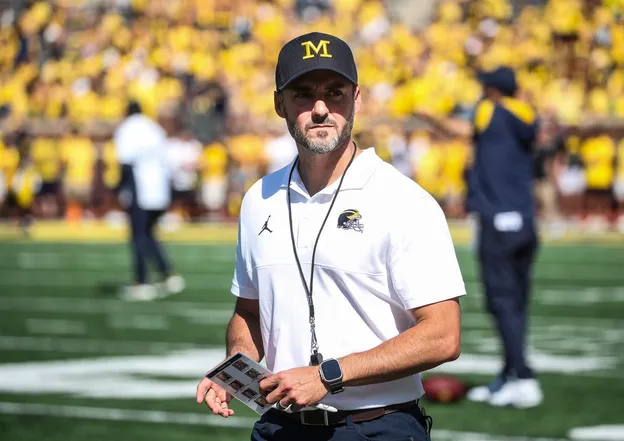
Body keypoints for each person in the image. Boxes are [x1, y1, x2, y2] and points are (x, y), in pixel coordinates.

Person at [195, 32, 466, 441]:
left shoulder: (403, 199)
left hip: (376, 427)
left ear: (357, 99)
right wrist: (235, 367)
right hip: (280, 427)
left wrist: (329, 376)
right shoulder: (258, 199)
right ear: (279, 104)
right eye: (303, 95)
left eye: (335, 93)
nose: (321, 109)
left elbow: (443, 335)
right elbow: (249, 312)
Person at [417, 66, 543, 408]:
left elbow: (461, 127)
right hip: (525, 221)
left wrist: (431, 118)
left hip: (498, 223)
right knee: (515, 304)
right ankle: (510, 374)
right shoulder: (525, 113)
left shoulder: (492, 109)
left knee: (502, 303)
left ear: (493, 90)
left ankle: (523, 377)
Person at [113, 101, 185, 301]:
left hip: (141, 187)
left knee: (138, 234)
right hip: (159, 187)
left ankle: (141, 281)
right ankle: (167, 274)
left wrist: (118, 188)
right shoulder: (154, 128)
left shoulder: (127, 128)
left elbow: (125, 162)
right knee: (149, 233)